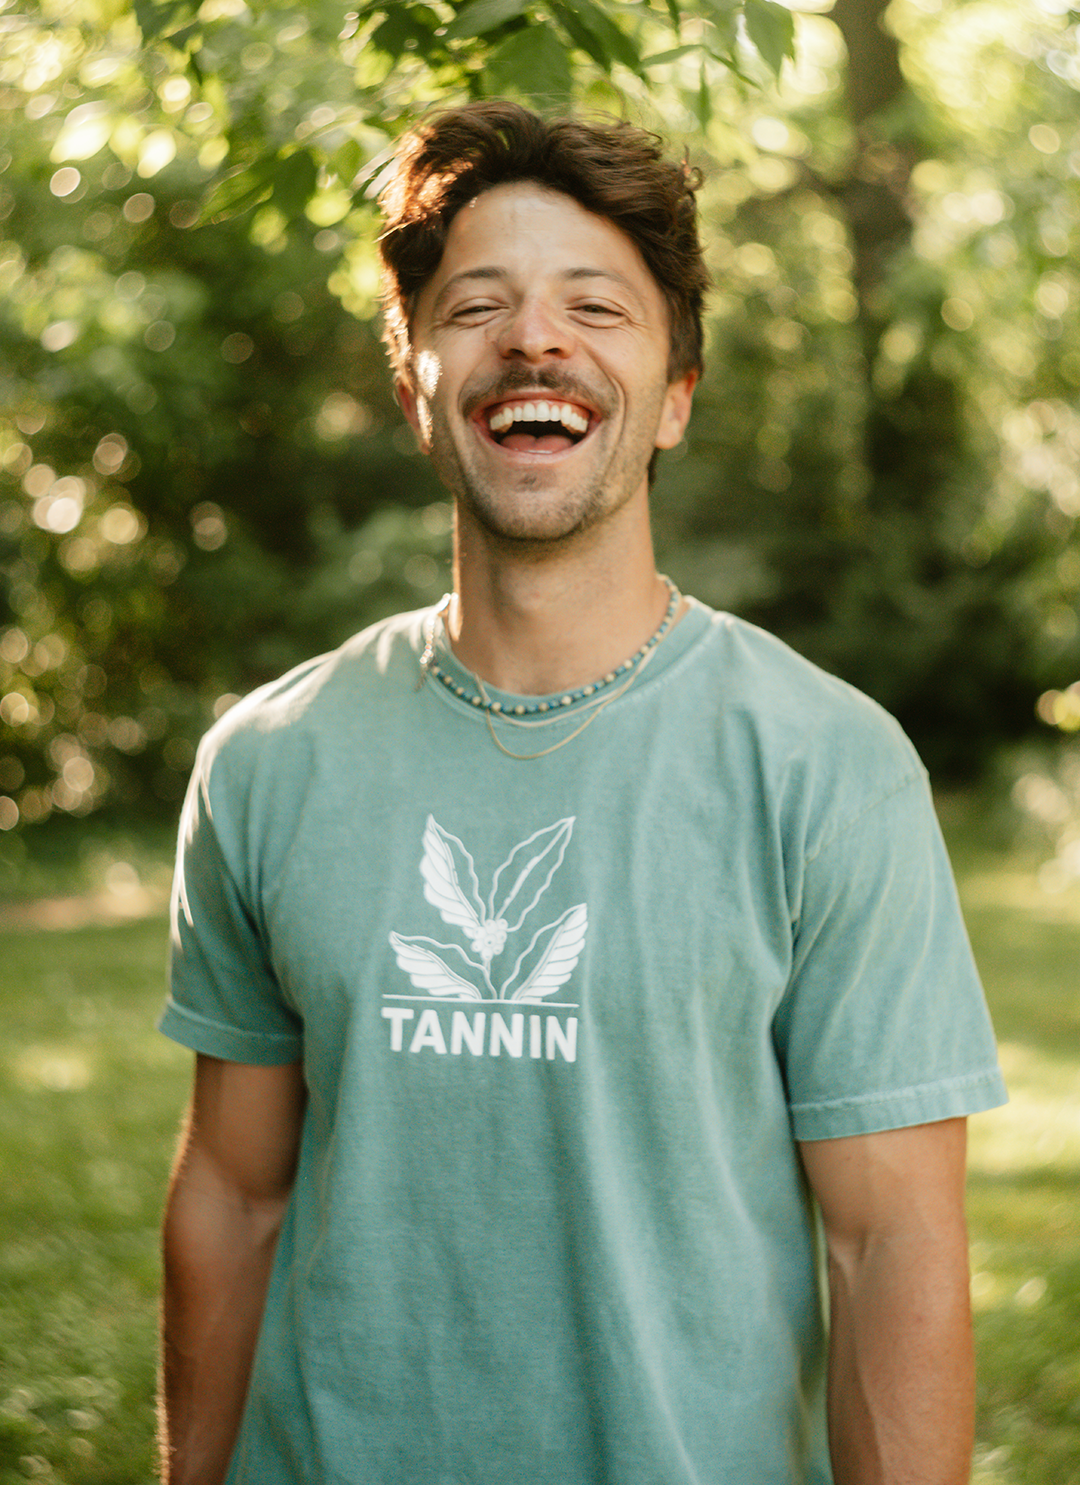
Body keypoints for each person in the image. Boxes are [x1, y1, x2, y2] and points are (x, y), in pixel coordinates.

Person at [159, 100, 1007, 1485]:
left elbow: (889, 1240)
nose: (533, 340)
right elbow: (234, 1196)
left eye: (596, 308)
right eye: (476, 305)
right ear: (413, 382)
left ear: (675, 395)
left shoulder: (826, 764)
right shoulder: (268, 758)